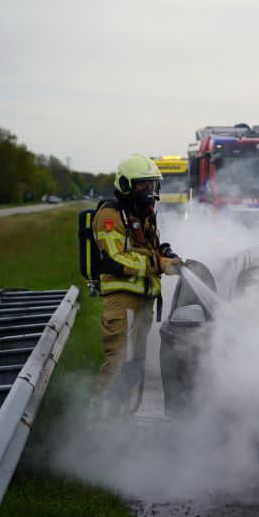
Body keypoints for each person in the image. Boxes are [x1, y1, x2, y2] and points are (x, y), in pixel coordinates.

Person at [90, 153, 183, 419]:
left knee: (134, 367)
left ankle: (119, 422)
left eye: (152, 184)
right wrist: (158, 263)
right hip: (123, 302)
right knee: (118, 367)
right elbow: (115, 257)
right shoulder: (110, 214)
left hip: (142, 303)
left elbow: (149, 248)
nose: (149, 190)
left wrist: (165, 251)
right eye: (143, 184)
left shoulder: (143, 214)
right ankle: (98, 425)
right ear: (126, 185)